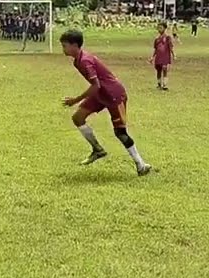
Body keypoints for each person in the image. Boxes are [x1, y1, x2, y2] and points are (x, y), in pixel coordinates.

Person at [59, 30, 152, 175]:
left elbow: (96, 85)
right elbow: (97, 86)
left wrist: (75, 100)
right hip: (100, 93)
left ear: (75, 45)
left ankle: (141, 165)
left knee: (120, 132)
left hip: (113, 95)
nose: (63, 49)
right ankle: (98, 150)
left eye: (65, 46)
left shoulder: (85, 61)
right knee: (78, 118)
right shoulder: (78, 60)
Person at [152, 22, 174, 90]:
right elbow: (155, 49)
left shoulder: (167, 37)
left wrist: (173, 54)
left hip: (165, 56)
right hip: (158, 57)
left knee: (164, 69)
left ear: (164, 28)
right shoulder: (157, 39)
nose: (159, 29)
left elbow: (170, 47)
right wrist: (152, 57)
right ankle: (159, 84)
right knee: (158, 70)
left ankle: (165, 84)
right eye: (158, 28)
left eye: (161, 28)